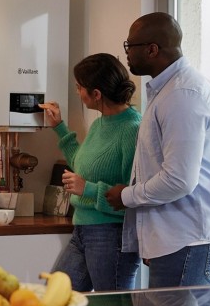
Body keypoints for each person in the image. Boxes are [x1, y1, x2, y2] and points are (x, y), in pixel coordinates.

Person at [105, 12, 210, 288]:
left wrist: (126, 196)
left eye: (130, 46)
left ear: (152, 49)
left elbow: (178, 179)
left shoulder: (182, 95)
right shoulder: (167, 91)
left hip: (191, 237)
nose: (127, 54)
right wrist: (152, 240)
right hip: (177, 238)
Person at [39, 53, 142, 291]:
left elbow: (133, 194)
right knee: (55, 299)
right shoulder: (99, 124)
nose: (77, 92)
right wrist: (59, 127)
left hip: (112, 235)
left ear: (96, 94)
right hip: (83, 230)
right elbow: (82, 164)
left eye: (79, 87)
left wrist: (87, 188)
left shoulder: (133, 130)